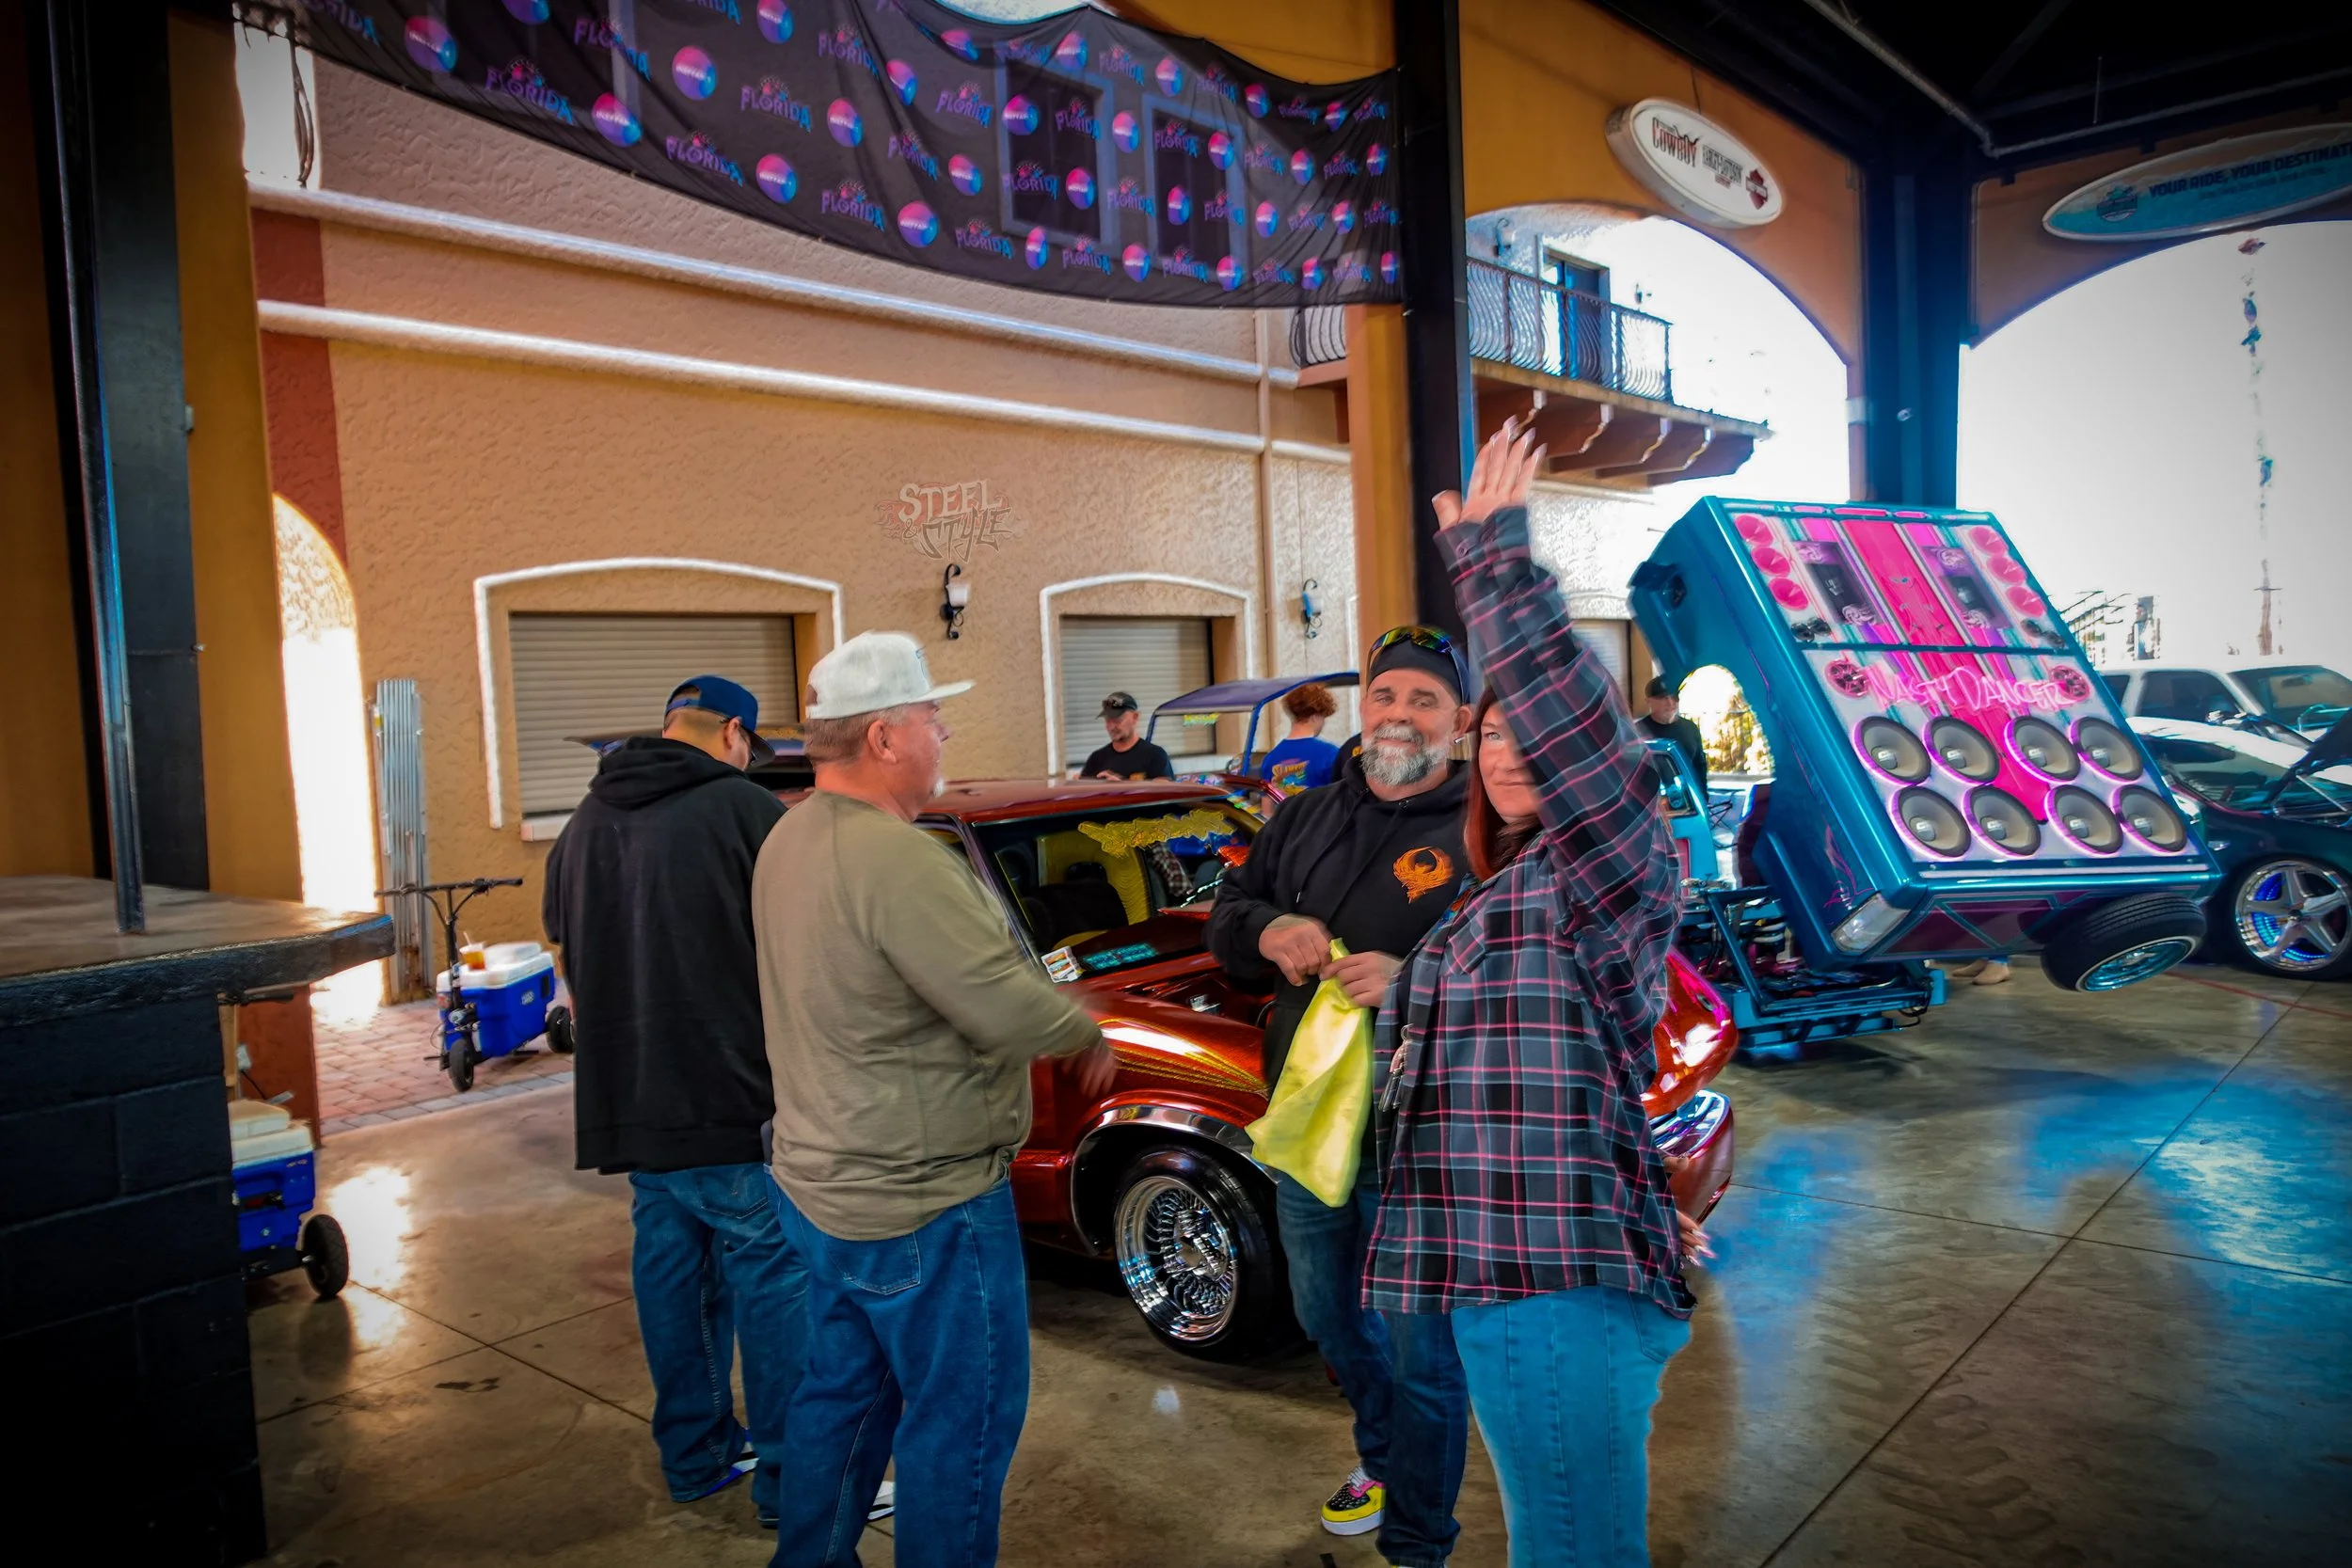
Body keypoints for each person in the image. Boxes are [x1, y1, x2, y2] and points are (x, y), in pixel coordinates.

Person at [1368, 422, 1702, 1568]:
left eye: (1531, 729)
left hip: (1545, 1283)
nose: (1510, 746)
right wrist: (1644, 1192)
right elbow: (1560, 1083)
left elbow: (1582, 741)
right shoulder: (1511, 886)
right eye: (1492, 727)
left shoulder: (1605, 861)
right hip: (1515, 1266)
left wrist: (1498, 566)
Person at [754, 631, 1117, 1568]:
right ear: (882, 736)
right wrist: (1079, 1029)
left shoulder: (787, 835)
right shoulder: (899, 859)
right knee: (962, 1423)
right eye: (929, 716)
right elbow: (1001, 1002)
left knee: (843, 1393)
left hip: (821, 1186)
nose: (943, 730)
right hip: (925, 1202)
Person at [1205, 628, 1475, 1565]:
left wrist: (1413, 979)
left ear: (1463, 719)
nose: (1399, 711)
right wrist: (1271, 924)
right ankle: (1387, 1454)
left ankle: (1418, 1537)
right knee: (1324, 1310)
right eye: (1385, 693)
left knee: (1422, 1350)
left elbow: (1522, 980)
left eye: (1424, 698)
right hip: (1309, 1122)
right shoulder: (1303, 815)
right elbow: (1225, 918)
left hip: (1420, 1134)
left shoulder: (1485, 825)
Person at [540, 675, 808, 1526]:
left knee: (673, 1276)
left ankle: (695, 1460)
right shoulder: (743, 813)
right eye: (750, 746)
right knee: (770, 1278)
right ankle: (790, 1483)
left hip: (630, 1098)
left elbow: (564, 954)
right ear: (734, 732)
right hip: (731, 1095)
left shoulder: (583, 821)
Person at [1262, 681, 1343, 792]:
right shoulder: (1331, 753)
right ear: (1315, 717)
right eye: (1323, 717)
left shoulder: (1270, 758)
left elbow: (1268, 808)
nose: (1323, 724)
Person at [1637, 674, 1709, 791]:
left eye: (1674, 697)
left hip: (1688, 801)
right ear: (1649, 702)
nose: (1670, 703)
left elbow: (1700, 765)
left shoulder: (1690, 728)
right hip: (1653, 802)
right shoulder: (1637, 731)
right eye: (1663, 698)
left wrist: (1703, 797)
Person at [1081, 690, 1176, 780]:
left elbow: (1164, 791)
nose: (1112, 726)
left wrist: (1122, 787)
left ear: (1135, 717)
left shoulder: (1155, 755)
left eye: (1118, 720)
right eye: (1108, 720)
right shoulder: (1096, 759)